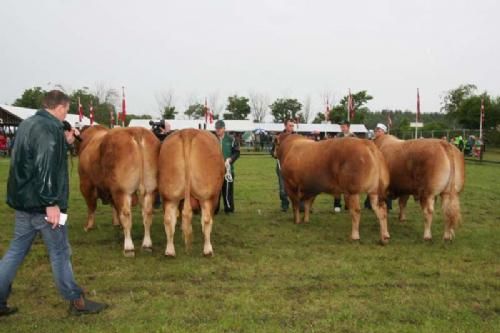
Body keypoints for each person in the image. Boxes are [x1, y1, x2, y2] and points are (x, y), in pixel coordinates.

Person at [0, 90, 108, 317]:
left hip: (24, 203)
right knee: (60, 251)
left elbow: (30, 158)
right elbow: (45, 165)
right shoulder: (49, 130)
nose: (65, 115)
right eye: (66, 110)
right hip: (43, 205)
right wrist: (50, 202)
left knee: (16, 251)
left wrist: (65, 141)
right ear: (59, 108)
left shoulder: (28, 125)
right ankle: (76, 300)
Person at [364, 123, 392, 210]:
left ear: (384, 132)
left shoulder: (388, 141)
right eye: (376, 130)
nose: (377, 132)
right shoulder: (373, 141)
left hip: (385, 166)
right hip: (375, 165)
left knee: (385, 186)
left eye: (379, 130)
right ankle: (369, 204)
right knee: (373, 185)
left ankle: (387, 204)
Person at [215, 120, 240, 214]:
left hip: (228, 169)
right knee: (216, 190)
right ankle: (215, 208)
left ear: (224, 129)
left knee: (228, 189)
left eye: (219, 128)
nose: (217, 130)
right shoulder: (213, 139)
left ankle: (228, 208)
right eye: (216, 128)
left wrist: (230, 159)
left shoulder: (231, 139)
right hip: (215, 170)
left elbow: (237, 152)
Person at [271, 119, 296, 212]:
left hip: (295, 166)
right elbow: (273, 151)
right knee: (283, 188)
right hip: (282, 165)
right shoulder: (279, 137)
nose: (291, 127)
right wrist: (274, 154)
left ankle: (300, 205)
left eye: (293, 125)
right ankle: (285, 204)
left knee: (297, 186)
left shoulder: (296, 137)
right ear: (285, 126)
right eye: (290, 125)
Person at [333, 120, 356, 213]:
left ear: (348, 127)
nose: (342, 128)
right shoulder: (338, 136)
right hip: (339, 163)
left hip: (350, 164)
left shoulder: (353, 137)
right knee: (337, 185)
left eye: (343, 126)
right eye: (341, 126)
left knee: (349, 186)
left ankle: (348, 204)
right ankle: (337, 204)